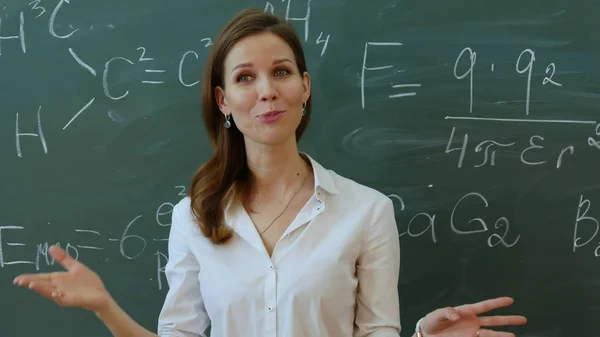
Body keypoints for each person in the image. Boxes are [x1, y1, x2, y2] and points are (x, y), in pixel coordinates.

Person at [12, 7, 527, 337]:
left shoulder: (367, 211)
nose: (266, 90)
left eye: (281, 72)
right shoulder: (194, 216)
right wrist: (106, 307)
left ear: (304, 87)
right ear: (224, 101)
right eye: (244, 77)